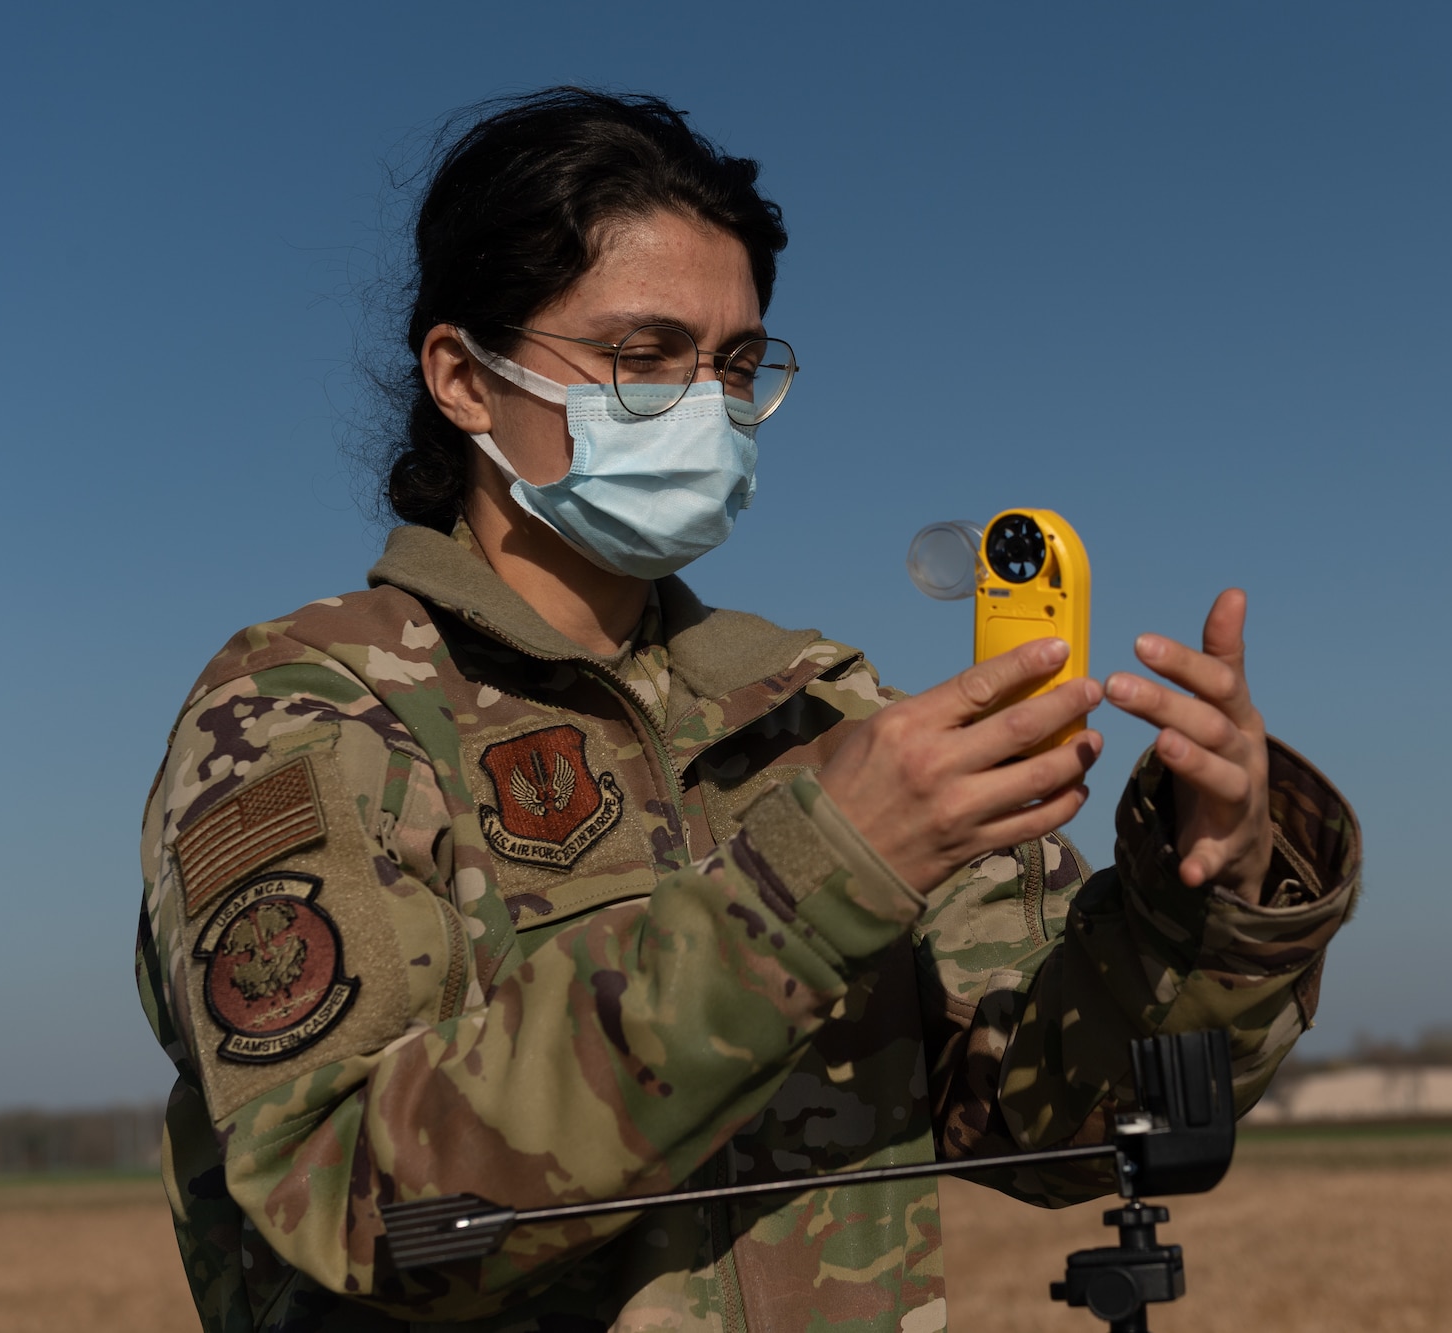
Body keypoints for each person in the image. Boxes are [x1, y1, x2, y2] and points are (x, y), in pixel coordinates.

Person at [134, 87, 1361, 1333]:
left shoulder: (818, 709)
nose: (705, 407)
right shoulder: (307, 707)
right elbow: (342, 1196)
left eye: (731, 364)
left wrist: (1208, 890)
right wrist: (816, 873)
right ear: (461, 377)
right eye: (641, 356)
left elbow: (1057, 1127)